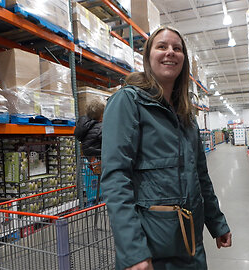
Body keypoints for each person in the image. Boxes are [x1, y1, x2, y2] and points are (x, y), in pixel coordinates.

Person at [101, 26, 232, 270]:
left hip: (190, 244)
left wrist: (217, 224)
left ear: (184, 59)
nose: (170, 52)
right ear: (148, 57)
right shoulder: (129, 102)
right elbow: (115, 178)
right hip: (151, 249)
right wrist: (133, 252)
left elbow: (200, 177)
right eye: (162, 46)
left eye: (177, 48)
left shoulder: (186, 115)